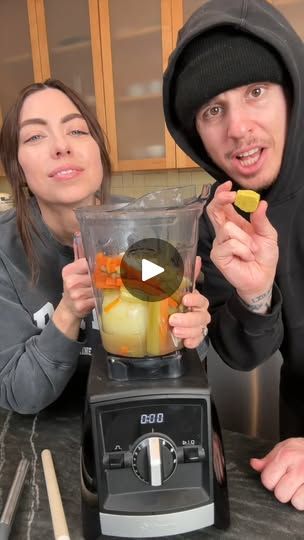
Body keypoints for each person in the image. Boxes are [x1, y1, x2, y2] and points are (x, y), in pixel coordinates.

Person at [163, 0, 304, 510]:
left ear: (294, 93)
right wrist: (256, 292)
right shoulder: (220, 218)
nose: (238, 128)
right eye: (213, 109)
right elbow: (244, 354)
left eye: (256, 92)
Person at [0, 78, 210, 415]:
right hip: (48, 436)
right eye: (35, 136)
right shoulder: (4, 252)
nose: (61, 146)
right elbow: (17, 394)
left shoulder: (147, 228)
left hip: (140, 417)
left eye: (77, 131)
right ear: (18, 167)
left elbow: (187, 361)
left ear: (98, 148)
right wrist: (69, 311)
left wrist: (188, 331)